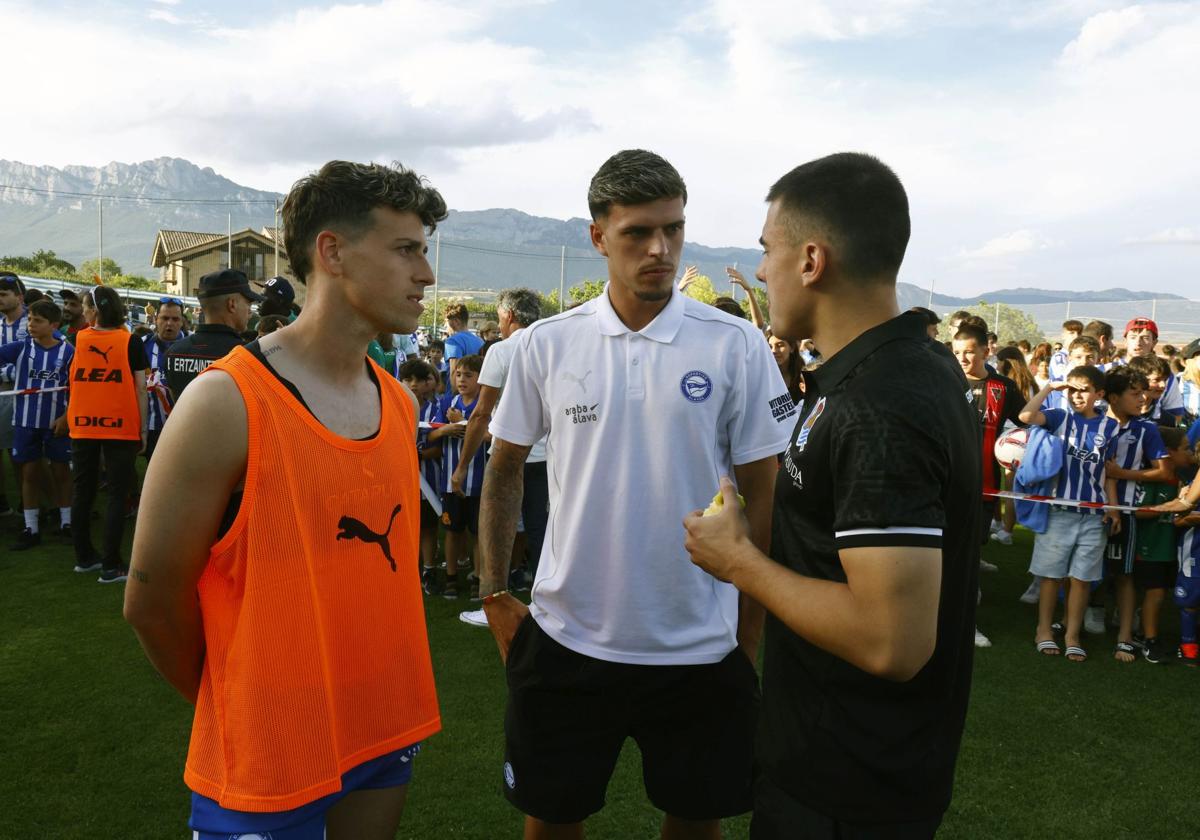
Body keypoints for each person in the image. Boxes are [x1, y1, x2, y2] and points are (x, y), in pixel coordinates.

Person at [123, 160, 444, 840]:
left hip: (381, 722)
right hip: (271, 746)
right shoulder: (225, 402)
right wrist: (250, 702)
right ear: (332, 251)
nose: (427, 274)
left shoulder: (399, 401)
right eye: (406, 249)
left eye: (426, 250)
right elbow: (151, 603)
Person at [478, 149, 790, 840]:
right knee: (552, 820)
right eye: (638, 233)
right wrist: (494, 589)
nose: (661, 249)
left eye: (673, 230)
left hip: (700, 646)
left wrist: (749, 628)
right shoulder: (546, 345)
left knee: (696, 820)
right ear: (598, 238)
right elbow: (503, 468)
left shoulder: (735, 344)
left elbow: (765, 491)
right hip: (567, 640)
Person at [682, 152, 979, 839]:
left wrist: (739, 563)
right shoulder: (884, 370)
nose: (761, 271)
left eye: (767, 250)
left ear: (811, 260)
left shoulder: (884, 404)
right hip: (833, 765)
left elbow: (890, 641)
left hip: (850, 788)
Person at [1019, 365, 1122, 662]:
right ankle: (1043, 631)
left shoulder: (1110, 428)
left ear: (1099, 394)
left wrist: (1113, 508)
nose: (1077, 395)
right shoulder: (1058, 417)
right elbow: (1025, 417)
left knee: (1081, 578)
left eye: (1084, 390)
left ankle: (1072, 635)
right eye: (1072, 389)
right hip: (1058, 512)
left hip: (1093, 515)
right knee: (1051, 576)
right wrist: (1050, 389)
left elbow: (1109, 472)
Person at [451, 287, 546, 594]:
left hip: (508, 453)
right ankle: (549, 595)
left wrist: (462, 465)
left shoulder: (501, 350)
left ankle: (493, 597)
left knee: (496, 526)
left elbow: (480, 413)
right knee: (541, 527)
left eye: (499, 317)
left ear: (509, 315)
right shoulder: (551, 346)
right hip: (548, 454)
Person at [61, 285, 148, 582]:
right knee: (115, 493)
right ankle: (111, 565)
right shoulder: (130, 342)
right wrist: (143, 428)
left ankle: (84, 557)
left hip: (83, 425)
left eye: (86, 306)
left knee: (83, 491)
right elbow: (140, 389)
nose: (83, 311)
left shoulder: (76, 339)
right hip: (119, 426)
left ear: (95, 311)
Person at [952, 320, 1024, 648]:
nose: (963, 359)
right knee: (946, 557)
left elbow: (1025, 421)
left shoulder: (1003, 387)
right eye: (957, 353)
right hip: (946, 486)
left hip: (984, 487)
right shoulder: (944, 383)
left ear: (986, 350)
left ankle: (967, 622)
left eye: (969, 352)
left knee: (968, 558)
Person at [1101, 368, 1171, 662]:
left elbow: (1164, 472)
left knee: (1124, 576)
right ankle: (1070, 626)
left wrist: (1122, 473)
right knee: (1076, 572)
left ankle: (1125, 637)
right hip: (1087, 507)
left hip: (1126, 512)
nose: (1143, 398)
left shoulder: (1147, 429)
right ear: (1113, 397)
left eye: (1145, 392)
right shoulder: (1092, 422)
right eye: (1135, 393)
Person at [1, 299, 74, 549]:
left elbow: (77, 388)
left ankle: (67, 522)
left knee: (61, 472)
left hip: (57, 423)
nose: (31, 324)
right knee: (29, 473)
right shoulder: (20, 348)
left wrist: (67, 416)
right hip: (25, 422)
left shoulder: (68, 352)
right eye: (30, 319)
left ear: (54, 325)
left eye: (38, 320)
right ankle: (30, 527)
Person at [1132, 427, 1195, 662]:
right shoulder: (1152, 479)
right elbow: (1138, 513)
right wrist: (1175, 503)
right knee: (1155, 593)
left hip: (1169, 547)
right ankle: (1149, 640)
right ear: (1168, 452)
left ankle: (1143, 630)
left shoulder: (1180, 479)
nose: (1189, 453)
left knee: (1161, 593)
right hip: (1150, 547)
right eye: (1185, 449)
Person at [429, 353, 487, 600]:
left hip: (479, 481)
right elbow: (429, 436)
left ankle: (478, 577)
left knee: (478, 532)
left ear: (481, 379)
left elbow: (492, 436)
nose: (461, 379)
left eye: (468, 376)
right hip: (450, 482)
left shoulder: (486, 405)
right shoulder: (446, 403)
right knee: (452, 530)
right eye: (458, 374)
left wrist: (462, 423)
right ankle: (451, 577)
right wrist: (445, 429)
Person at [164, 269, 262, 400]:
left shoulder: (173, 353)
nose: (250, 311)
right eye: (248, 304)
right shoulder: (246, 355)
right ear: (232, 304)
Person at [397, 358, 444, 593]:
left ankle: (429, 569)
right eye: (407, 379)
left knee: (427, 526)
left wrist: (415, 454)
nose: (412, 385)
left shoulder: (436, 409)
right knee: (403, 525)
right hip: (400, 478)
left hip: (428, 477)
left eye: (418, 380)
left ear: (428, 383)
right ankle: (406, 569)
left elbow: (438, 447)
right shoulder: (392, 405)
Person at [0, 271, 30, 516]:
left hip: (24, 395)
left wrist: (8, 373)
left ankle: (26, 504)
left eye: (3, 294)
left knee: (19, 452)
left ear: (19, 297)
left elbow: (31, 361)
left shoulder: (32, 323)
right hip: (3, 394)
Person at [142, 297, 186, 460]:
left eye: (175, 319)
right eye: (165, 318)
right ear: (155, 319)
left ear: (182, 322)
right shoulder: (141, 346)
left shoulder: (193, 347)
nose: (169, 324)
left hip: (185, 425)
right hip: (153, 425)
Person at [1123, 317, 1184, 423]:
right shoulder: (1106, 371)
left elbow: (1176, 416)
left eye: (1145, 338)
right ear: (1125, 341)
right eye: (1133, 337)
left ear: (1154, 342)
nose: (1138, 342)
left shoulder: (1167, 377)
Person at [442, 302, 483, 383]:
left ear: (456, 321)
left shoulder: (453, 341)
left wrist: (454, 395)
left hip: (456, 394)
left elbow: (454, 372)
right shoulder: (480, 341)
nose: (445, 326)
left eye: (446, 322)